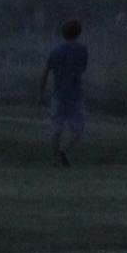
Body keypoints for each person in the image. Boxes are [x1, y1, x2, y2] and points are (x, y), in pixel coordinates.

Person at [40, 19, 91, 167]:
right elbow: (83, 68)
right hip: (76, 94)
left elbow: (46, 72)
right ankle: (64, 150)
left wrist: (41, 92)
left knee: (56, 128)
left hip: (58, 94)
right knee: (79, 128)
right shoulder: (82, 50)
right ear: (78, 33)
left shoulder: (56, 50)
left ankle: (54, 159)